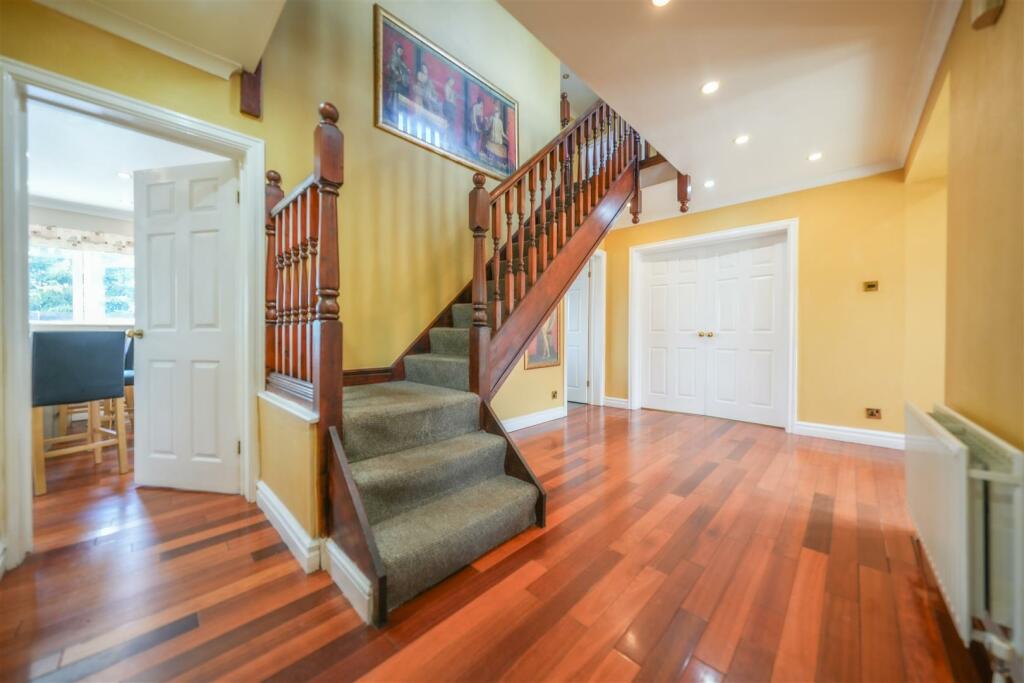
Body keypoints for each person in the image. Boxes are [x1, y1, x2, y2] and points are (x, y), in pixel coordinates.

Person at [385, 43, 410, 116]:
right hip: (395, 80)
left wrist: (406, 71)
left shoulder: (400, 60)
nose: (400, 52)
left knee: (397, 95)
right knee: (394, 95)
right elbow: (392, 66)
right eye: (399, 50)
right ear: (397, 50)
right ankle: (393, 109)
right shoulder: (394, 58)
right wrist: (397, 73)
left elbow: (402, 68)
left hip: (400, 81)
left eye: (401, 51)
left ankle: (396, 109)